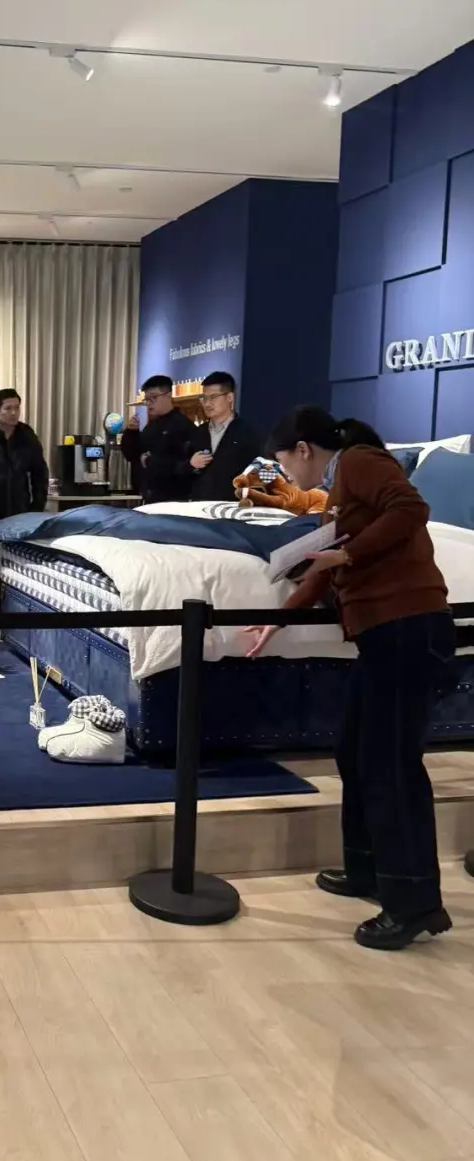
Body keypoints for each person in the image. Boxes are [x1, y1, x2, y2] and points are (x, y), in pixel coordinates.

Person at [245, 407, 454, 951]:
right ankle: (368, 870)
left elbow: (412, 508)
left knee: (390, 766)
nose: (287, 475)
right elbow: (326, 570)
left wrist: (348, 552)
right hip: (386, 635)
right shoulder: (337, 493)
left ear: (304, 450)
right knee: (356, 752)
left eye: (284, 464)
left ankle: (413, 903)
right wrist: (278, 619)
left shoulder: (359, 461)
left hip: (407, 628)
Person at [0, 388, 49, 527]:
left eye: (17, 408)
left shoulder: (28, 438)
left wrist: (36, 508)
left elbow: (40, 475)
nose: (13, 413)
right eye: (8, 408)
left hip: (19, 513)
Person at [182, 371, 261, 502]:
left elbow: (261, 476)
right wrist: (191, 465)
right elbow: (179, 471)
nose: (207, 404)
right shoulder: (197, 433)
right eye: (204, 398)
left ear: (230, 397)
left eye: (213, 397)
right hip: (198, 507)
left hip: (232, 508)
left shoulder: (248, 433)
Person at [119, 375, 195, 504]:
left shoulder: (183, 425)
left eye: (153, 398)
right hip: (149, 497)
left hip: (174, 499)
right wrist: (131, 433)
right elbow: (132, 455)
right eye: (146, 399)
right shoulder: (150, 426)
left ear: (168, 395)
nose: (149, 403)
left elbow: (184, 466)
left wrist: (150, 461)